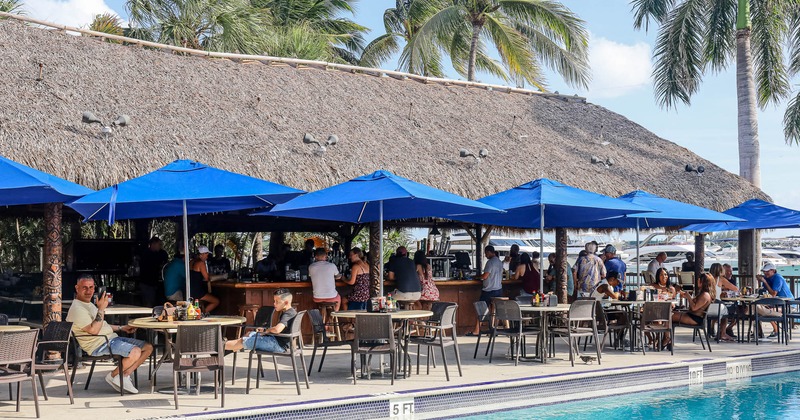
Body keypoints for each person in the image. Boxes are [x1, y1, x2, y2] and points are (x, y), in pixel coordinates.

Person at [66, 274, 153, 394]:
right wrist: (101, 309)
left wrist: (122, 328)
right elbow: (94, 330)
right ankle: (113, 375)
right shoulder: (77, 308)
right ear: (77, 288)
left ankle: (124, 375)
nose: (88, 291)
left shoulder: (89, 304)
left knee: (148, 347)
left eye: (91, 287)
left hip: (110, 339)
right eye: (84, 287)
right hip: (99, 345)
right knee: (135, 351)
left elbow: (102, 324)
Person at [225, 288, 297, 353]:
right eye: (274, 301)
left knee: (243, 340)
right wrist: (265, 331)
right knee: (249, 334)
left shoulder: (288, 314)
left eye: (277, 302)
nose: (274, 304)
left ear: (286, 302)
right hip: (276, 341)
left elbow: (277, 330)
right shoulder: (291, 312)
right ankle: (230, 348)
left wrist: (267, 331)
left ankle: (220, 347)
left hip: (277, 345)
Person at [668, 273, 715, 349]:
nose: (697, 281)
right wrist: (686, 297)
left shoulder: (705, 295)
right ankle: (667, 339)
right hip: (693, 316)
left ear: (702, 282)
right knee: (668, 314)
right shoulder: (704, 294)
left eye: (699, 280)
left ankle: (666, 339)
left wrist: (689, 297)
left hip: (695, 318)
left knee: (668, 316)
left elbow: (694, 308)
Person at [470, 245, 503, 336]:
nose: (485, 255)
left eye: (485, 253)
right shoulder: (499, 262)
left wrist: (476, 276)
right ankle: (493, 329)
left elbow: (485, 276)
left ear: (488, 252)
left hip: (489, 290)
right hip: (498, 289)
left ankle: (476, 330)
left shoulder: (490, 262)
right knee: (494, 311)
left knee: (481, 310)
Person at [755, 262, 792, 338]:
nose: (765, 273)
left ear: (773, 271)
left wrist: (764, 281)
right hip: (775, 303)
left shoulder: (778, 278)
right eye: (764, 271)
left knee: (768, 311)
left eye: (767, 271)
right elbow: (763, 291)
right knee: (756, 309)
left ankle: (776, 330)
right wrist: (760, 281)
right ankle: (759, 332)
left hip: (787, 304)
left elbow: (773, 293)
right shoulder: (767, 278)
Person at [709, 263, 738, 342]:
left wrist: (721, 288)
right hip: (716, 306)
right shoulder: (721, 279)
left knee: (724, 309)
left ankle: (717, 331)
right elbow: (735, 289)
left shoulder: (706, 278)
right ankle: (723, 333)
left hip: (706, 307)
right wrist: (724, 287)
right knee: (727, 311)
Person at [138, 236, 169, 307]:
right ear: (153, 244)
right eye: (159, 245)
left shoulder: (160, 253)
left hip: (155, 283)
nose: (160, 247)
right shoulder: (146, 254)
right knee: (148, 303)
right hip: (147, 283)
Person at [189, 246, 220, 313]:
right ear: (201, 254)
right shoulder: (201, 263)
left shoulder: (191, 262)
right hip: (196, 291)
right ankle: (201, 314)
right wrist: (219, 276)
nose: (207, 256)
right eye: (206, 254)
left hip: (189, 290)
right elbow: (207, 278)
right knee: (216, 301)